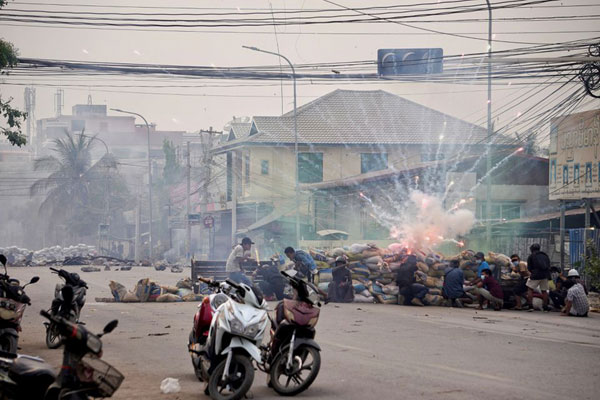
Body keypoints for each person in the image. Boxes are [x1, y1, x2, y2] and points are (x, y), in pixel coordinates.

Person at [526, 243, 551, 312]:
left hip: (535, 275)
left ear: (531, 249)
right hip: (545, 275)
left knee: (530, 289)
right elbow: (548, 265)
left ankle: (530, 306)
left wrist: (533, 272)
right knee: (544, 291)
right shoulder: (545, 255)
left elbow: (529, 268)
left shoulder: (531, 256)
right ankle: (545, 307)